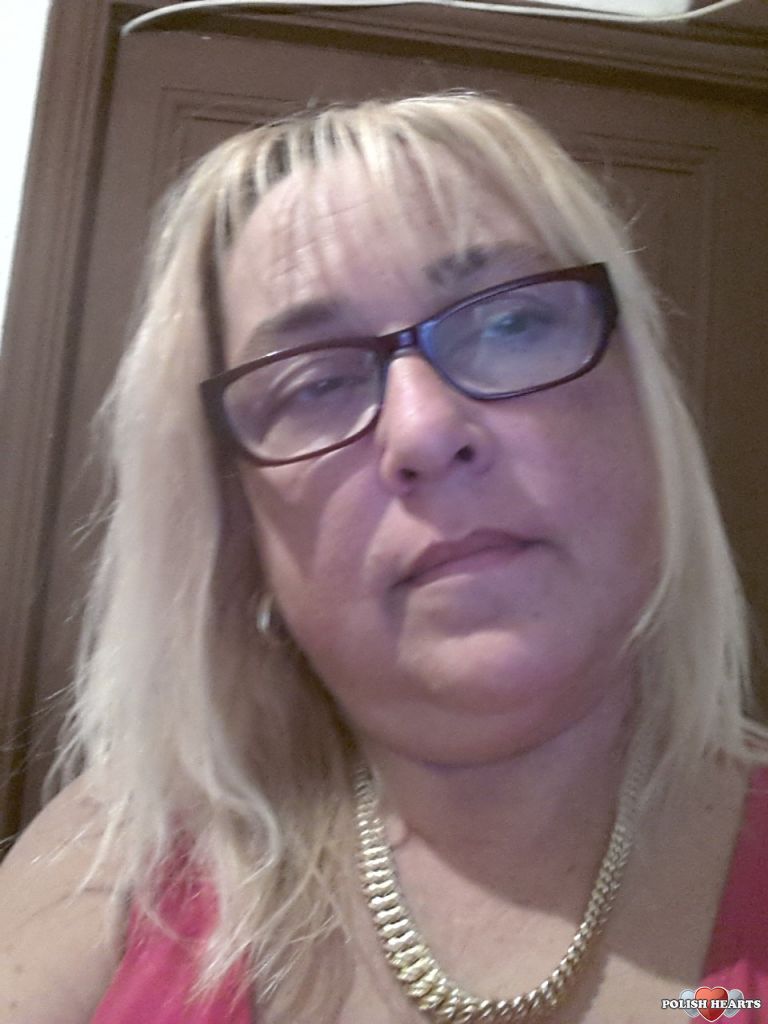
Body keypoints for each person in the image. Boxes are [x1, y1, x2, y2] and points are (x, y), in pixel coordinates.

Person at [0, 92, 766, 1024]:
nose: (425, 431)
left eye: (512, 323)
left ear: (643, 405)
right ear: (241, 529)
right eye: (314, 382)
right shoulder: (114, 857)